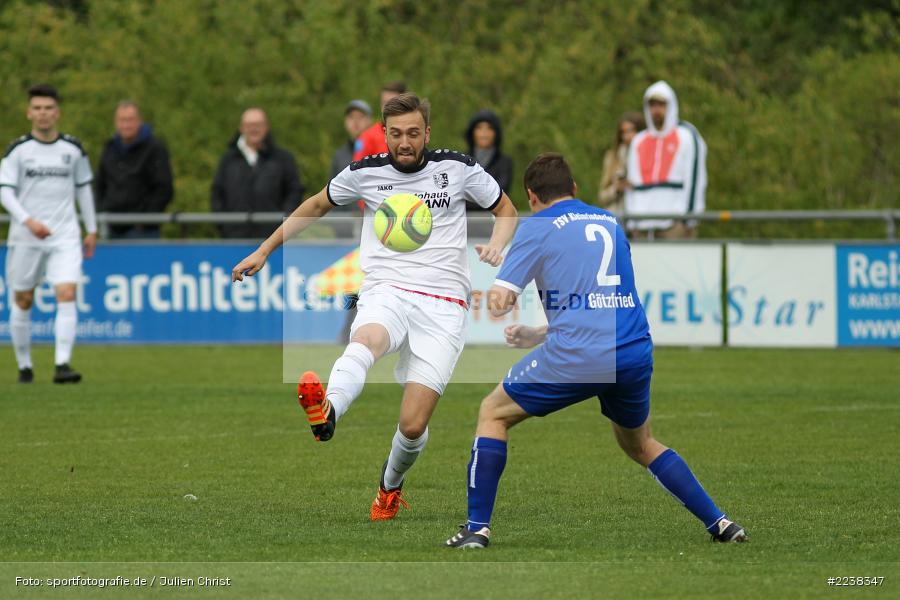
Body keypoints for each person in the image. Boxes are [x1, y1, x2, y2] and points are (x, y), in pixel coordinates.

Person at [232, 93, 518, 521]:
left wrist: (497, 245)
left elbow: (506, 209)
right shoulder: (365, 172)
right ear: (384, 134)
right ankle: (328, 411)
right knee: (366, 339)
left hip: (444, 305)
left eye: (414, 134)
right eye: (397, 134)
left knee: (413, 426)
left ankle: (389, 486)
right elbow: (315, 205)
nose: (405, 142)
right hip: (387, 289)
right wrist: (265, 250)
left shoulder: (456, 168)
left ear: (427, 133)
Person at [444, 153, 745, 548]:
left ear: (531, 196)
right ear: (574, 190)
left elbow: (499, 303)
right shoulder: (609, 222)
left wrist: (493, 264)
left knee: (492, 413)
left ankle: (477, 528)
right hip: (633, 349)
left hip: (581, 354)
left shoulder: (537, 227)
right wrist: (539, 333)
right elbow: (602, 299)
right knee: (640, 443)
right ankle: (721, 523)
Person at [0, 84, 97, 384]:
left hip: (64, 234)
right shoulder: (18, 151)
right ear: (30, 112)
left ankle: (62, 365)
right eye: (38, 108)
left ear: (58, 113)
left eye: (48, 108)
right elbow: (5, 192)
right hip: (27, 235)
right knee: (23, 299)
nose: (43, 114)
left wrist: (91, 228)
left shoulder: (73, 149)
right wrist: (28, 221)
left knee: (66, 293)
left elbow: (83, 190)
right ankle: (25, 366)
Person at [624, 81, 707, 239]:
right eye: (652, 105)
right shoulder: (639, 141)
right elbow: (632, 182)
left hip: (674, 222)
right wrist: (632, 221)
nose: (656, 110)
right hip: (642, 223)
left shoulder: (687, 136)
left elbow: (696, 179)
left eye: (661, 104)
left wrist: (689, 219)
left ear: (671, 106)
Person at [211, 107, 304, 238]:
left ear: (266, 127)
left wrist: (283, 224)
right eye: (249, 125)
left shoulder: (283, 158)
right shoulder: (228, 160)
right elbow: (217, 193)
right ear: (241, 128)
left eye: (258, 124)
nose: (253, 129)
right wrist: (223, 224)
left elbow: (294, 192)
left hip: (273, 238)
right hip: (234, 237)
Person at [95, 100, 174, 238]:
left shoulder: (155, 148)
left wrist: (145, 220)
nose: (126, 125)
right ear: (116, 122)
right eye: (122, 120)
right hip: (111, 227)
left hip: (143, 231)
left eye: (130, 120)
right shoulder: (110, 147)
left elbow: (164, 187)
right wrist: (102, 211)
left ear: (139, 121)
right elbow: (99, 183)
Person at [598, 111, 644, 215]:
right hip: (618, 217)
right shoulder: (612, 157)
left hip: (641, 216)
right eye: (623, 132)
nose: (627, 136)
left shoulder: (649, 155)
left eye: (631, 131)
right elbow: (602, 196)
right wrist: (616, 188)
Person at [352, 81, 406, 162]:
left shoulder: (413, 134)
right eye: (384, 103)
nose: (388, 107)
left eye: (393, 103)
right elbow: (356, 171)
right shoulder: (367, 137)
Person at [464, 109, 513, 196]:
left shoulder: (505, 162)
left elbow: (499, 193)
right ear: (472, 132)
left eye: (489, 128)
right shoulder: (462, 160)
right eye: (479, 127)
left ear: (496, 133)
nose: (484, 132)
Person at [331, 99, 373, 178]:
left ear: (369, 120)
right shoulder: (339, 155)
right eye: (351, 117)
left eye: (360, 117)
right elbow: (332, 188)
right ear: (345, 121)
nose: (355, 121)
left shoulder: (378, 150)